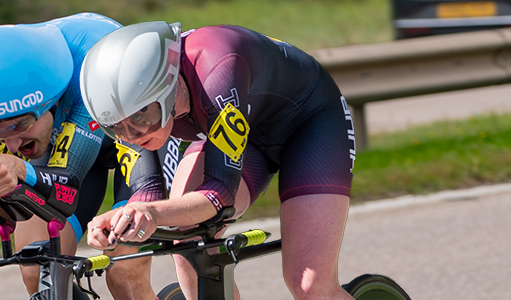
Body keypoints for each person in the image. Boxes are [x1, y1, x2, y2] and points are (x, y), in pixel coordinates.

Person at [80, 21, 357, 300]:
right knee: (188, 243)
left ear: (167, 87)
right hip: (242, 128)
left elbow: (219, 193)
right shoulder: (131, 108)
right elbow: (147, 194)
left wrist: (153, 212)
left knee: (310, 285)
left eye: (142, 118)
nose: (132, 135)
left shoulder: (218, 68)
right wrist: (122, 217)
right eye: (116, 127)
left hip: (308, 124)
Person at [0, 13, 184, 300]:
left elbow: (65, 189)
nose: (11, 144)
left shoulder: (90, 72)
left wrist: (19, 171)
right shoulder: (8, 101)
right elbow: (17, 206)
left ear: (53, 100)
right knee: (39, 269)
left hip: (138, 137)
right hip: (71, 138)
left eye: (20, 125)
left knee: (125, 273)